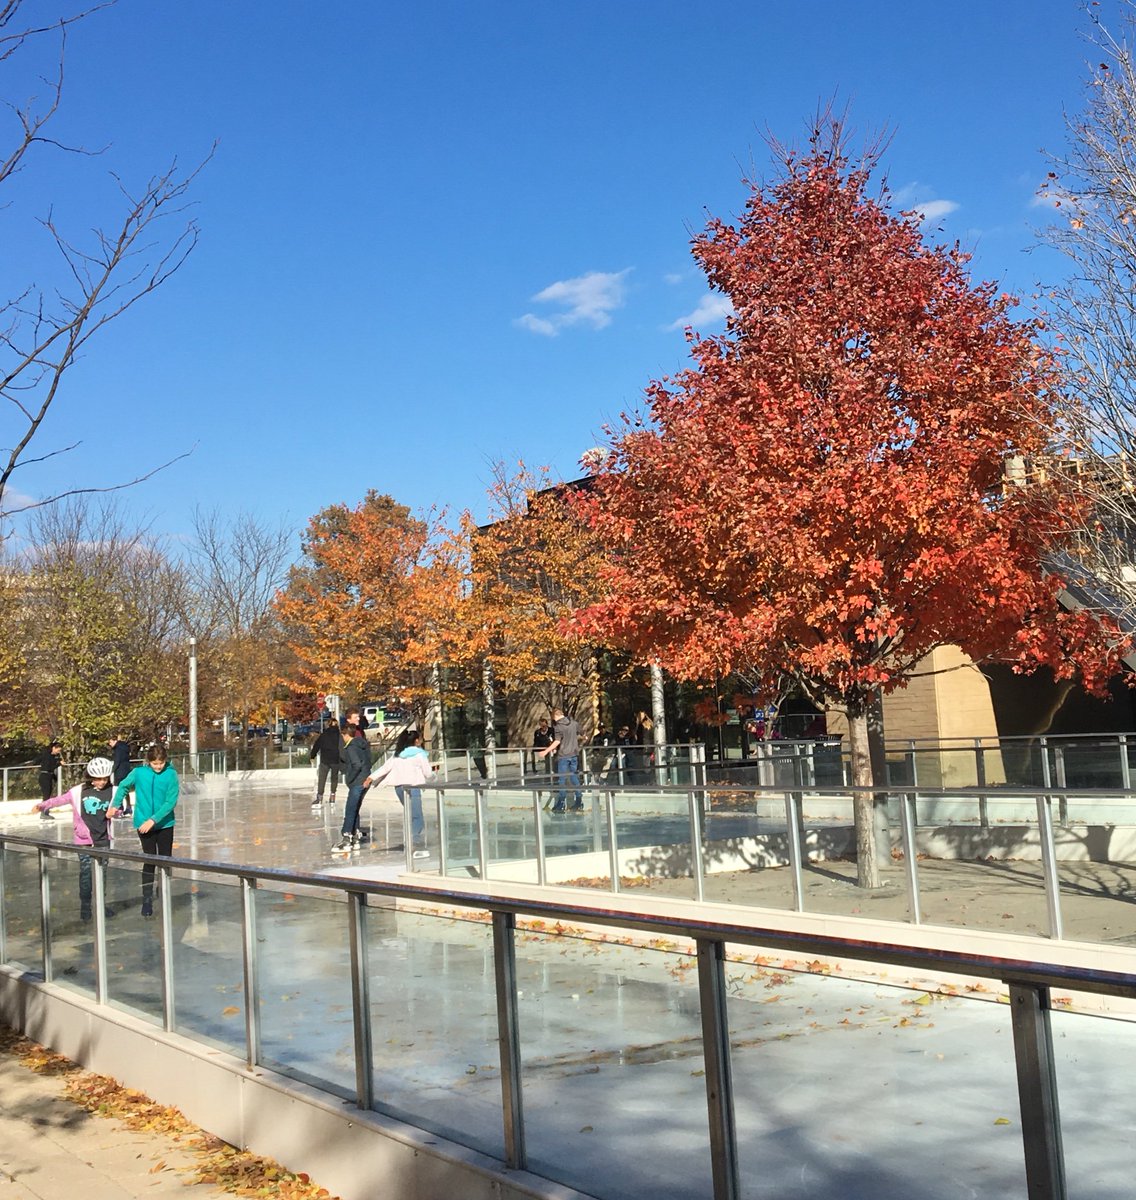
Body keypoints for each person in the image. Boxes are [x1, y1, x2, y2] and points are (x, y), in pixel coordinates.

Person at [31, 755, 115, 921]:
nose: (101, 782)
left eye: (104, 779)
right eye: (98, 779)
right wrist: (42, 805)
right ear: (90, 777)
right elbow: (59, 800)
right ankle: (85, 907)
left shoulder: (113, 791)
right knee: (85, 874)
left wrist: (117, 812)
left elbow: (119, 807)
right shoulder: (78, 791)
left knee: (102, 874)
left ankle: (100, 904)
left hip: (103, 839)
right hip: (83, 841)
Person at [109, 744, 179, 918]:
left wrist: (154, 819)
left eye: (161, 763)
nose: (158, 767)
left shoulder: (171, 774)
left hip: (164, 824)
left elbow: (170, 802)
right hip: (143, 823)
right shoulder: (139, 773)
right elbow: (124, 786)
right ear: (149, 762)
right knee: (149, 860)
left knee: (165, 860)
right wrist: (115, 805)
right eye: (155, 763)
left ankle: (163, 893)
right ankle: (147, 898)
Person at [365, 730, 432, 858]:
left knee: (411, 814)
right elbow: (428, 773)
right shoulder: (419, 755)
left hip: (400, 789)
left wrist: (371, 777)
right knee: (417, 817)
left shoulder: (397, 755)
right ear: (416, 741)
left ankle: (411, 839)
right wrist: (433, 778)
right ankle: (415, 842)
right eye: (420, 739)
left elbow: (385, 768)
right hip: (413, 788)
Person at [332, 725, 372, 853]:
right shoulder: (363, 745)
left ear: (345, 735)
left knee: (350, 809)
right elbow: (367, 762)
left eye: (342, 736)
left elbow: (356, 764)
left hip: (357, 782)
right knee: (355, 809)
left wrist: (349, 778)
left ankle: (346, 838)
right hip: (365, 780)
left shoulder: (351, 747)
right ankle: (355, 838)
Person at [538, 707, 583, 814]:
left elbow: (557, 741)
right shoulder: (573, 723)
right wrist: (582, 738)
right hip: (574, 754)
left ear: (555, 716)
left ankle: (561, 803)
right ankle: (579, 801)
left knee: (561, 779)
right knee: (573, 776)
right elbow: (582, 733)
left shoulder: (558, 726)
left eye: (553, 718)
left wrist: (546, 751)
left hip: (564, 755)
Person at [309, 720, 342, 806]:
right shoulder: (340, 735)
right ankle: (332, 796)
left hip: (325, 760)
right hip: (336, 760)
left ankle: (319, 798)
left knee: (322, 779)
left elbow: (317, 745)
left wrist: (312, 756)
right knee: (334, 779)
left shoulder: (324, 735)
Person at [36, 740, 62, 821]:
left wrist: (55, 778)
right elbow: (48, 768)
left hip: (48, 776)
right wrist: (59, 764)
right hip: (44, 777)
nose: (59, 751)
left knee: (47, 795)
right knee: (46, 795)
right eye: (58, 750)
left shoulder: (52, 757)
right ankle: (43, 813)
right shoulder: (47, 755)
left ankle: (45, 811)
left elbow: (51, 770)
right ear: (54, 748)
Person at [108, 733, 133, 816]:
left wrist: (112, 771)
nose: (110, 744)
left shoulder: (118, 749)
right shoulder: (125, 747)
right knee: (125, 790)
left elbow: (117, 761)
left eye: (110, 742)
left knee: (119, 790)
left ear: (114, 741)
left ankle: (120, 808)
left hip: (119, 772)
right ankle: (129, 807)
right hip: (126, 771)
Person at [531, 717, 554, 803]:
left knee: (550, 767)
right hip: (541, 751)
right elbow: (536, 742)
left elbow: (554, 740)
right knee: (543, 767)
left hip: (550, 751)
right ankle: (544, 782)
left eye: (544, 725)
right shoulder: (537, 733)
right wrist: (535, 751)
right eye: (541, 726)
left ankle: (551, 782)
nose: (543, 727)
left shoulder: (552, 731)